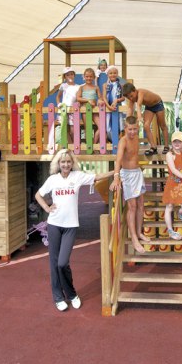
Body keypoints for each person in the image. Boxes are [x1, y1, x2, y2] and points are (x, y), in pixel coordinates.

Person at [35, 149, 114, 311]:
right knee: (54, 263)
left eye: (68, 162)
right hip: (54, 224)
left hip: (70, 226)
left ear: (72, 163)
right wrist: (47, 208)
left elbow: (97, 176)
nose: (66, 164)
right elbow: (38, 195)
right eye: (63, 162)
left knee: (62, 263)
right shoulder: (52, 179)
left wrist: (116, 171)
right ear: (58, 163)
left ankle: (71, 294)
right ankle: (58, 297)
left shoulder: (77, 176)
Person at [110, 116, 150, 253]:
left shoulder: (137, 138)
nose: (132, 132)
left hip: (137, 173)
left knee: (141, 204)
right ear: (125, 128)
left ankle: (138, 233)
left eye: (135, 129)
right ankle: (133, 238)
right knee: (132, 207)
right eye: (130, 129)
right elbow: (118, 160)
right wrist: (116, 177)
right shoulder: (123, 141)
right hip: (127, 175)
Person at [122, 82, 169, 157]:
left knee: (162, 126)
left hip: (158, 104)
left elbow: (138, 105)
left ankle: (166, 146)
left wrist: (139, 117)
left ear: (135, 90)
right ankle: (153, 147)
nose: (131, 98)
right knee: (146, 126)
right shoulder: (131, 99)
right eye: (129, 98)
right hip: (149, 107)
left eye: (131, 96)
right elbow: (130, 109)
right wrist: (126, 122)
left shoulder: (141, 92)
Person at [50, 67, 81, 146]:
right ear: (65, 77)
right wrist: (58, 103)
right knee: (63, 128)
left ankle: (74, 145)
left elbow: (78, 97)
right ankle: (69, 145)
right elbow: (58, 96)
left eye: (71, 74)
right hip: (63, 109)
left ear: (74, 75)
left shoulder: (78, 87)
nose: (70, 76)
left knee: (73, 129)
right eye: (67, 75)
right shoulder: (63, 85)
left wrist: (78, 103)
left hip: (73, 109)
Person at [76, 68, 103, 145]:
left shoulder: (96, 87)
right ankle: (89, 145)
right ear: (84, 77)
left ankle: (94, 144)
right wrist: (88, 100)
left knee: (101, 127)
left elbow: (100, 98)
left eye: (91, 76)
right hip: (85, 110)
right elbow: (78, 98)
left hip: (94, 110)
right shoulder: (81, 87)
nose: (89, 78)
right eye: (87, 76)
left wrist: (99, 101)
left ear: (94, 77)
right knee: (87, 128)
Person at [103, 66, 125, 141]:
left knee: (119, 125)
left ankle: (119, 141)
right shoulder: (105, 85)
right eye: (111, 73)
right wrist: (108, 106)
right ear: (107, 74)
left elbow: (123, 97)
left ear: (117, 74)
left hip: (117, 107)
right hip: (108, 107)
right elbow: (104, 97)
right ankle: (114, 141)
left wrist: (117, 100)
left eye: (115, 73)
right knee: (108, 127)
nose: (113, 75)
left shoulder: (120, 85)